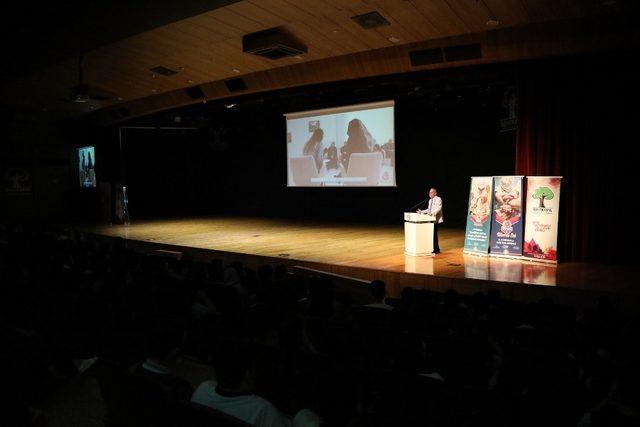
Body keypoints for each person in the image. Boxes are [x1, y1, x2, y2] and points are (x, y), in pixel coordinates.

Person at [418, 188, 443, 254]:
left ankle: (437, 249)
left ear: (435, 193)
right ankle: (433, 248)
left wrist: (432, 214)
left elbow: (439, 208)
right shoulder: (429, 200)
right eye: (429, 192)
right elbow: (429, 210)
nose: (430, 194)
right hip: (430, 219)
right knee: (431, 234)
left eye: (431, 192)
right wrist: (421, 212)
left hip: (435, 219)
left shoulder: (438, 199)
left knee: (434, 235)